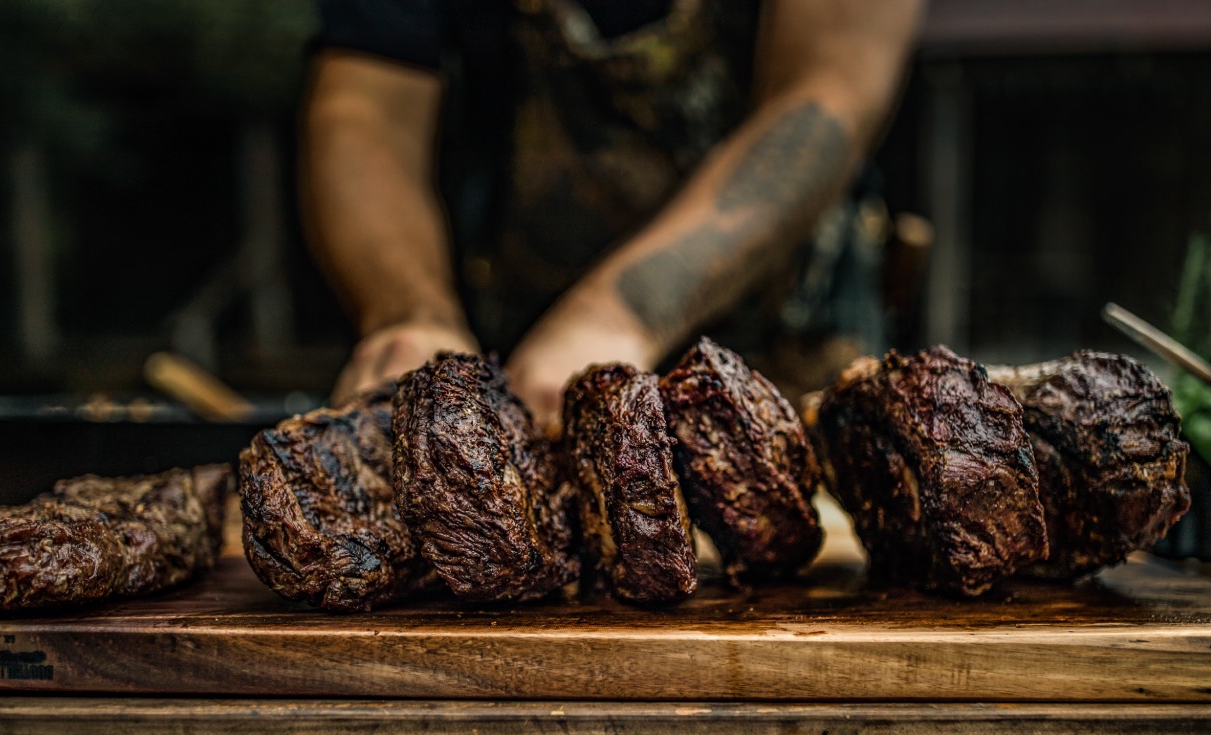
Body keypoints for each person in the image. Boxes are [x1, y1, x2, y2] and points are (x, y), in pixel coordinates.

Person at [304, 0, 924, 429]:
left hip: (789, 362)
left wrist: (622, 311)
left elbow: (831, 86)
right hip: (517, 371)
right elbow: (367, 110)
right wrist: (411, 314)